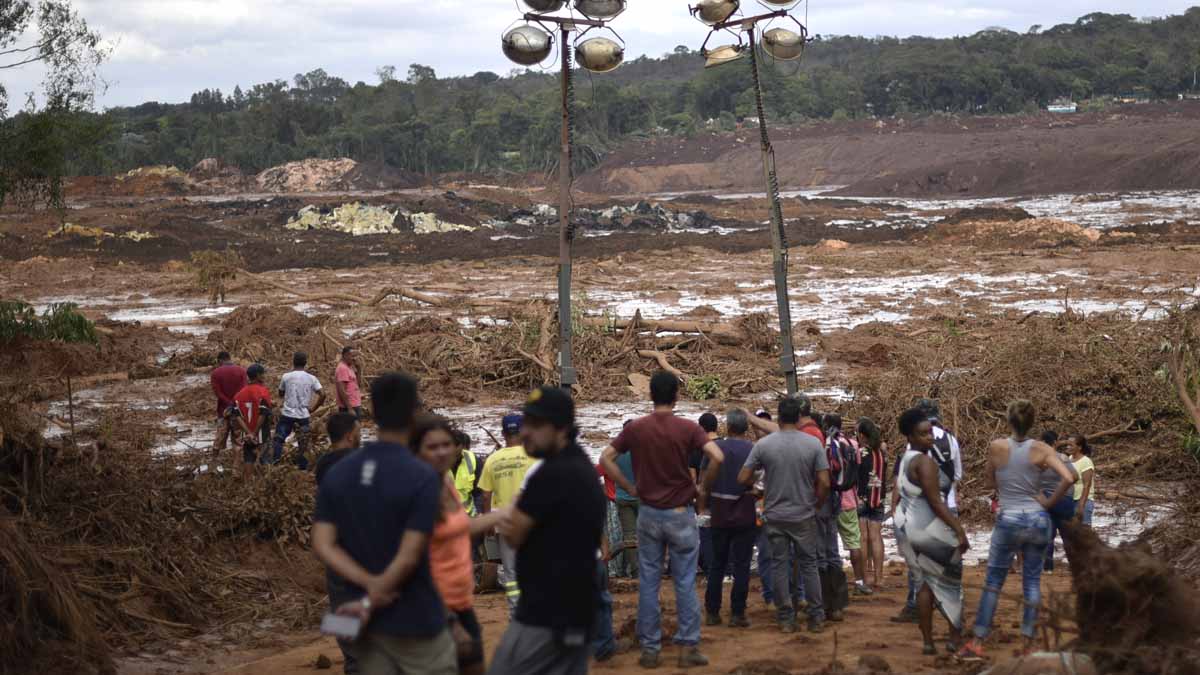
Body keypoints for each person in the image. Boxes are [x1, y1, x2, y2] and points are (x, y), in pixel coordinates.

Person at [312, 372, 456, 675]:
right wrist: (380, 586)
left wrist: (367, 586)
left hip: (363, 620)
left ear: (373, 413)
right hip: (416, 619)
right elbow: (410, 553)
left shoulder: (338, 473)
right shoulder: (422, 476)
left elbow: (322, 543)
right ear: (413, 413)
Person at [599, 371, 725, 669]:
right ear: (676, 396)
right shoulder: (688, 428)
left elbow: (605, 458)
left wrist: (629, 488)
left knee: (649, 581)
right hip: (681, 513)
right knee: (684, 581)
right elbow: (717, 456)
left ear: (650, 395)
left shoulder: (637, 429)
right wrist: (703, 488)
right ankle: (688, 646)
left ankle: (651, 649)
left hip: (649, 513)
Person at [489, 386, 606, 675]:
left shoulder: (552, 474)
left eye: (537, 425)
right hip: (574, 608)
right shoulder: (580, 465)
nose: (526, 432)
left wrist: (507, 515)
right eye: (526, 422)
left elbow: (514, 535)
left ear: (562, 429)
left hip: (547, 612)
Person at [958, 401, 1075, 660]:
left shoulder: (997, 447)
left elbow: (989, 478)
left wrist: (1001, 490)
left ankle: (977, 641)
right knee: (1032, 581)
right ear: (1032, 422)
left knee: (993, 582)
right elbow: (1069, 478)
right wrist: (1048, 502)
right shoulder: (1042, 449)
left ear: (1008, 421)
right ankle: (1029, 642)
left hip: (1009, 517)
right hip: (1037, 518)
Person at [411, 415, 508, 675]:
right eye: (433, 446)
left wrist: (498, 515)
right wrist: (449, 619)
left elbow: (457, 528)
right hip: (436, 605)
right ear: (417, 450)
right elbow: (414, 559)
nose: (443, 451)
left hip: (460, 600)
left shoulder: (443, 481)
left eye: (447, 444)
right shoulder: (420, 491)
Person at [737, 396, 829, 634]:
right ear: (799, 417)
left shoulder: (765, 445)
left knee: (779, 564)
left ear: (778, 416)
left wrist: (757, 490)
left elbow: (742, 477)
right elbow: (825, 482)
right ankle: (816, 616)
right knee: (809, 566)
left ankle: (786, 617)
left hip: (775, 515)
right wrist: (816, 504)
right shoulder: (812, 444)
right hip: (804, 514)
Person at [893, 408, 970, 656]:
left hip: (910, 527)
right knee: (951, 582)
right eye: (923, 434)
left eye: (930, 433)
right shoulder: (925, 463)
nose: (930, 438)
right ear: (910, 436)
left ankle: (927, 642)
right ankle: (954, 637)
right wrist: (959, 531)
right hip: (930, 527)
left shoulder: (905, 459)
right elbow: (936, 503)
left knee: (926, 584)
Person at [315, 412, 362, 675]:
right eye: (359, 430)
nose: (361, 433)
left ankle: (354, 662)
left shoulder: (322, 465)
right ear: (349, 434)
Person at [703, 409, 757, 628]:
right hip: (745, 512)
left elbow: (705, 481)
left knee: (718, 563)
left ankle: (713, 611)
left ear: (728, 427)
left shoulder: (717, 449)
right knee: (742, 565)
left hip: (719, 512)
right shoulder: (752, 450)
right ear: (745, 428)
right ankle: (737, 612)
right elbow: (758, 479)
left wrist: (704, 504)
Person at [479, 414, 536, 614]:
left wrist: (487, 525)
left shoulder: (492, 460)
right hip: (532, 522)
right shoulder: (533, 455)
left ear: (503, 434)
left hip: (505, 524)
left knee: (511, 571)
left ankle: (516, 614)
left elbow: (485, 496)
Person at [826, 415, 869, 597]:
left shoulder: (826, 444)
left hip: (828, 499)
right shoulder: (852, 444)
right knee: (853, 543)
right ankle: (860, 582)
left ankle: (830, 585)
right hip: (849, 499)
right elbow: (858, 469)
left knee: (829, 544)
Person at [274, 352, 326, 469]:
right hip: (303, 415)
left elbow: (281, 393)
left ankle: (274, 464)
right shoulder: (311, 378)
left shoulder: (286, 376)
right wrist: (313, 408)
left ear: (293, 362)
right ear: (305, 363)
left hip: (287, 413)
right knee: (303, 443)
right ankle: (302, 468)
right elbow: (323, 394)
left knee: (278, 439)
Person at [855, 418, 888, 592]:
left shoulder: (860, 452)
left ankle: (865, 576)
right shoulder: (882, 453)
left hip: (862, 498)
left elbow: (855, 475)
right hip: (879, 498)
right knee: (876, 536)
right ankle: (879, 577)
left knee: (863, 537)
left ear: (862, 435)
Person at [1039, 431, 1078, 573]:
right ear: (1055, 442)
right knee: (1067, 534)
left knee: (1048, 535)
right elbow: (1074, 476)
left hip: (1046, 499)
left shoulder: (1037, 460)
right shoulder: (1061, 458)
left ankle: (1047, 568)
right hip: (1064, 499)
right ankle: (1074, 566)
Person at [230, 364, 272, 479]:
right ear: (258, 376)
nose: (264, 376)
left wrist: (248, 432)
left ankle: (249, 486)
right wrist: (254, 432)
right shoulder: (263, 392)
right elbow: (263, 414)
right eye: (263, 374)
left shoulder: (239, 394)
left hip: (247, 435)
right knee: (265, 460)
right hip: (261, 433)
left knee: (248, 458)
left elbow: (237, 415)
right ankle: (265, 486)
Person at [612, 421, 638, 578]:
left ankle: (635, 571)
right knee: (646, 535)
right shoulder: (642, 450)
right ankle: (647, 570)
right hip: (641, 497)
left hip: (622, 498)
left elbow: (603, 468)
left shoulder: (615, 452)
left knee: (629, 536)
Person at [210, 351, 247, 457]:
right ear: (230, 358)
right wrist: (234, 404)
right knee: (238, 441)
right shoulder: (242, 371)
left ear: (220, 360)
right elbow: (243, 390)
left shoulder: (216, 373)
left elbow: (218, 393)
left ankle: (213, 464)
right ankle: (236, 468)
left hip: (223, 411)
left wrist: (229, 404)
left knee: (218, 440)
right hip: (238, 410)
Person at [697, 412, 720, 575]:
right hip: (725, 498)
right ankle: (725, 570)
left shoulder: (699, 449)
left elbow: (697, 479)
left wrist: (699, 503)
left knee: (706, 536)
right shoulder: (725, 445)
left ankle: (710, 570)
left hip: (706, 499)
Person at [450, 430, 479, 517]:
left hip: (468, 517)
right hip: (445, 520)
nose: (453, 449)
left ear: (463, 446)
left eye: (456, 445)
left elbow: (479, 493)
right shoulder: (437, 461)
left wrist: (480, 512)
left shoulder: (473, 460)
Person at [1069, 434, 1096, 526]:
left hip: (1083, 501)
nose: (1068, 447)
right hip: (1071, 500)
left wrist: (1081, 504)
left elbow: (1087, 485)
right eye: (1067, 445)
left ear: (1079, 447)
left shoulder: (1086, 462)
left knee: (1085, 530)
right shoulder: (1069, 459)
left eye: (1071, 445)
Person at [334, 345, 363, 419]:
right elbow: (342, 390)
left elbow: (358, 386)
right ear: (345, 355)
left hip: (354, 404)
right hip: (348, 407)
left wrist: (359, 369)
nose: (354, 359)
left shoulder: (349, 368)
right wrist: (350, 408)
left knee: (356, 429)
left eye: (356, 356)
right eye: (352, 356)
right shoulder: (342, 368)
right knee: (351, 429)